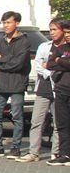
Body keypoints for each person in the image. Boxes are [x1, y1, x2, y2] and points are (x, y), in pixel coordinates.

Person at [0, 11, 30, 157]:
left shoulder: (24, 41)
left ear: (16, 23)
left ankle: (15, 147)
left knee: (17, 116)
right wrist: (4, 60)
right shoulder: (0, 41)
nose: (6, 25)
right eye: (4, 23)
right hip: (1, 83)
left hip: (17, 84)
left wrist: (1, 60)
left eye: (9, 22)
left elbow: (18, 64)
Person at [22, 28, 59, 163]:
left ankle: (56, 152)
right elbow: (39, 66)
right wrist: (50, 71)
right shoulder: (44, 46)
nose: (52, 32)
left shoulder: (65, 48)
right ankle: (33, 152)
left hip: (60, 89)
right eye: (51, 30)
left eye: (55, 29)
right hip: (43, 88)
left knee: (58, 123)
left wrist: (50, 66)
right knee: (36, 121)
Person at [45, 19, 70, 165]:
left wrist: (60, 61)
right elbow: (49, 64)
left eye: (69, 32)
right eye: (66, 32)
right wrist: (62, 61)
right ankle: (65, 154)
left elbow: (58, 62)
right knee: (62, 124)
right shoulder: (61, 48)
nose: (67, 35)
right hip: (61, 90)